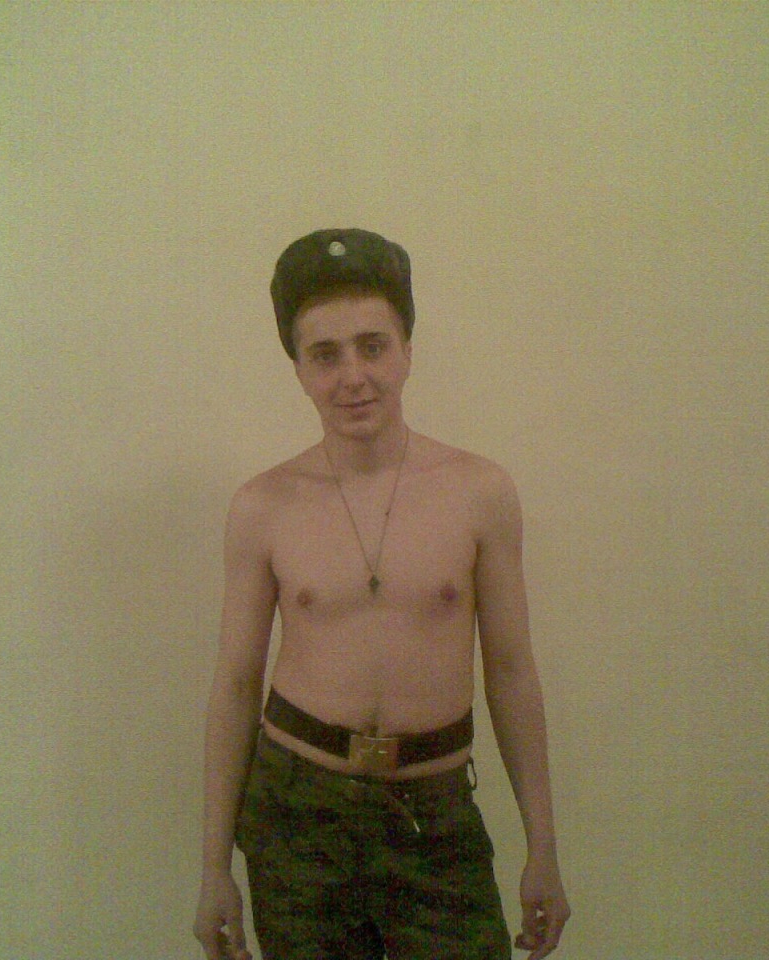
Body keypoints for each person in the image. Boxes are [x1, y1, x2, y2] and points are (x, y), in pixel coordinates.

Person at [194, 228, 569, 960]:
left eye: (373, 346)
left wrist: (544, 847)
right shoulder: (262, 506)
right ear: (299, 370)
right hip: (300, 813)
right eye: (325, 355)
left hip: (434, 811)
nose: (353, 376)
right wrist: (213, 870)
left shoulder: (480, 492)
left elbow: (512, 671)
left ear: (407, 351)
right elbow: (235, 684)